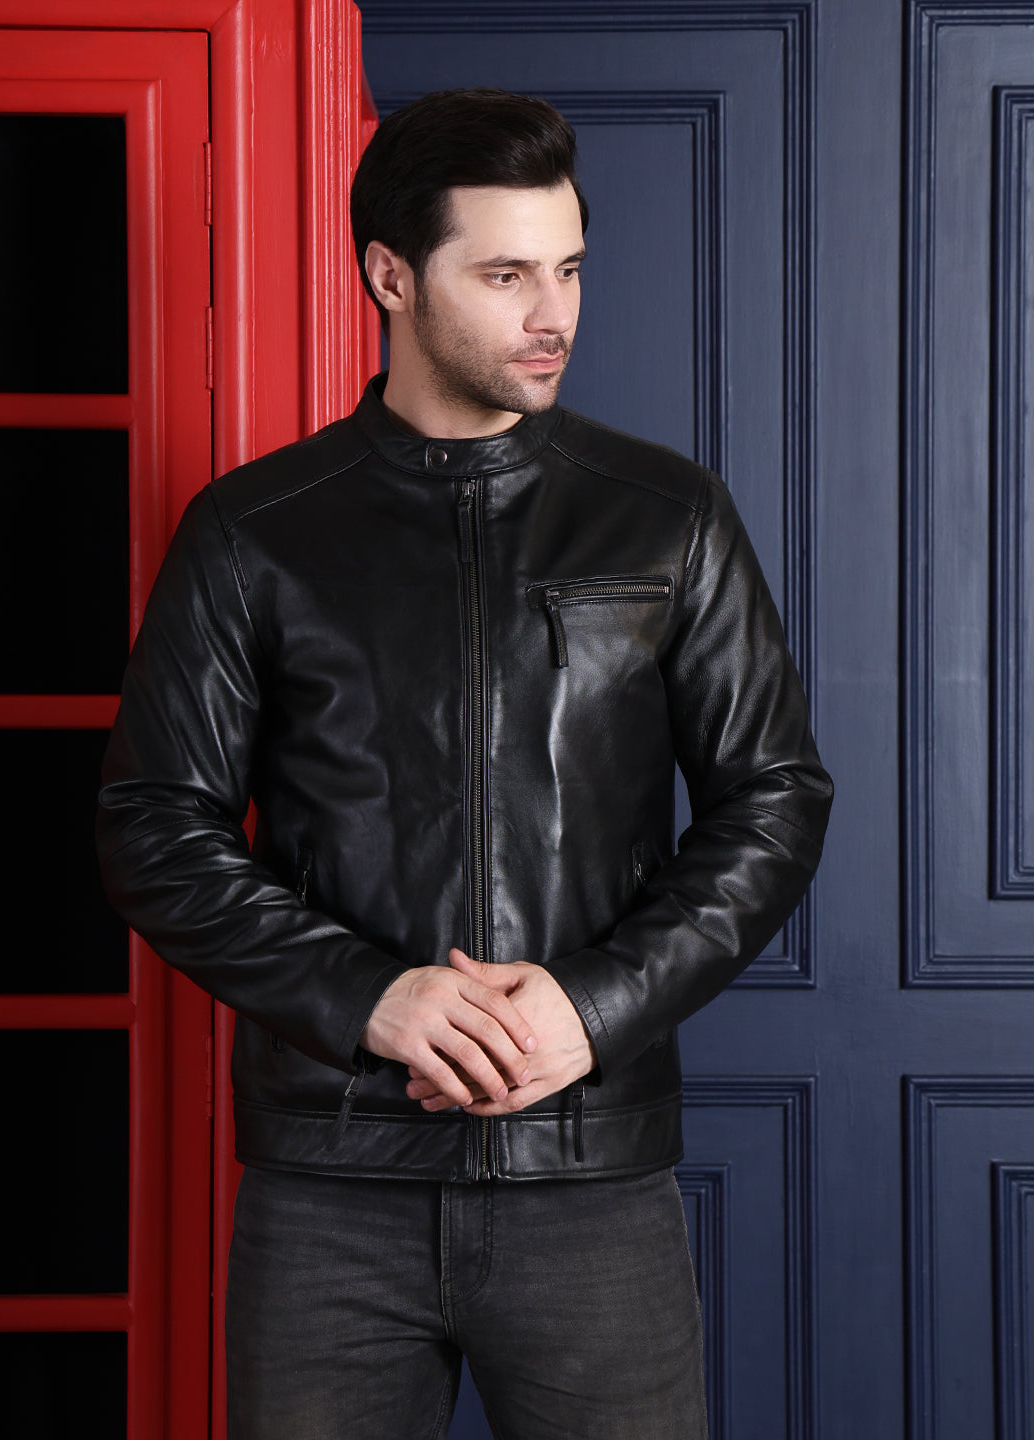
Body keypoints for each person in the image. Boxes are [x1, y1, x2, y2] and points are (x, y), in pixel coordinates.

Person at [98, 88, 832, 1439]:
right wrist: (371, 998)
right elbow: (153, 825)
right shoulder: (255, 532)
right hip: (329, 1195)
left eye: (568, 269)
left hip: (591, 1182)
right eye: (505, 276)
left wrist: (590, 1009)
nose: (554, 314)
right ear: (391, 276)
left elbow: (775, 799)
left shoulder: (668, 515)